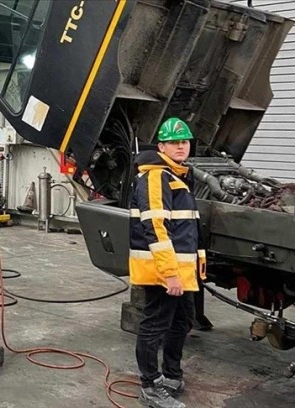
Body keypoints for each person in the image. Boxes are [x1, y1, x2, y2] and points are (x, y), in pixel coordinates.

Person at [129, 117, 207, 408]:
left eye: (184, 142)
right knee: (154, 325)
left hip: (181, 272)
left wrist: (194, 269)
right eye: (174, 142)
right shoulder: (155, 176)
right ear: (161, 146)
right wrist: (170, 274)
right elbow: (156, 228)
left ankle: (171, 375)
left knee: (183, 320)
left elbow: (186, 229)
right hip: (163, 271)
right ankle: (149, 386)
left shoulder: (176, 176)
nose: (180, 147)